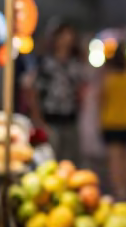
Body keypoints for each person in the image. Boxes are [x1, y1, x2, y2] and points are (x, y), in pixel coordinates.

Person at [25, 21, 85, 164]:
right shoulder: (45, 62)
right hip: (50, 119)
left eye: (70, 34)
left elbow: (80, 88)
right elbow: (33, 91)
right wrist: (38, 119)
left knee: (71, 162)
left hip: (70, 120)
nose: (67, 38)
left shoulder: (75, 63)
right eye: (63, 34)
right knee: (50, 160)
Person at [100, 45, 126, 198]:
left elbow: (102, 101)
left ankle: (118, 189)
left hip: (110, 121)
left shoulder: (108, 79)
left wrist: (99, 121)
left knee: (115, 159)